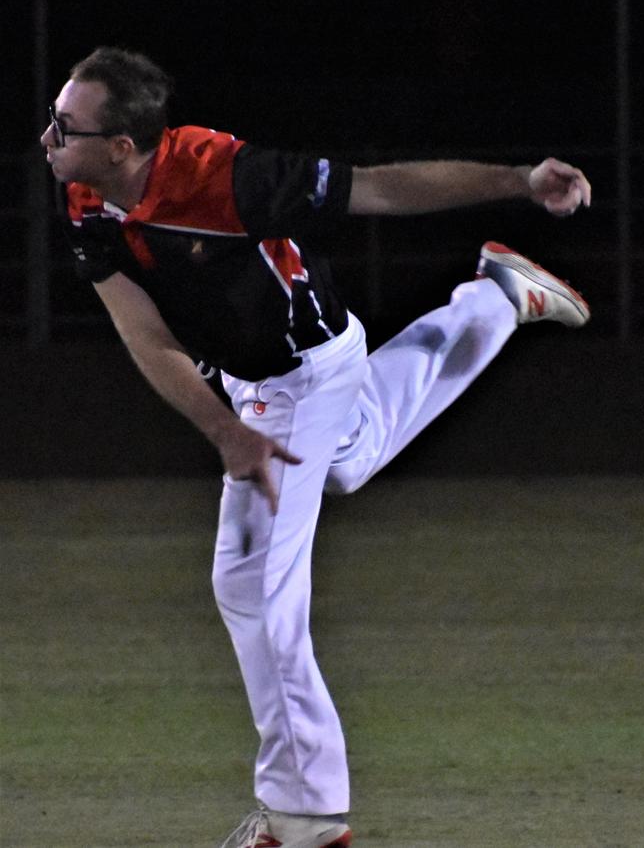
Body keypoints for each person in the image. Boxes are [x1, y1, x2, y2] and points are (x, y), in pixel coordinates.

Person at [42, 47, 592, 848]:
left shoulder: (228, 176)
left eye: (66, 125)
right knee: (351, 457)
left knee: (251, 583)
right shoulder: (86, 195)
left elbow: (378, 187)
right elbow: (144, 331)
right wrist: (225, 426)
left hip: (296, 375)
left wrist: (516, 180)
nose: (47, 136)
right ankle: (496, 300)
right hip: (259, 379)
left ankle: (303, 814)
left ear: (124, 145)